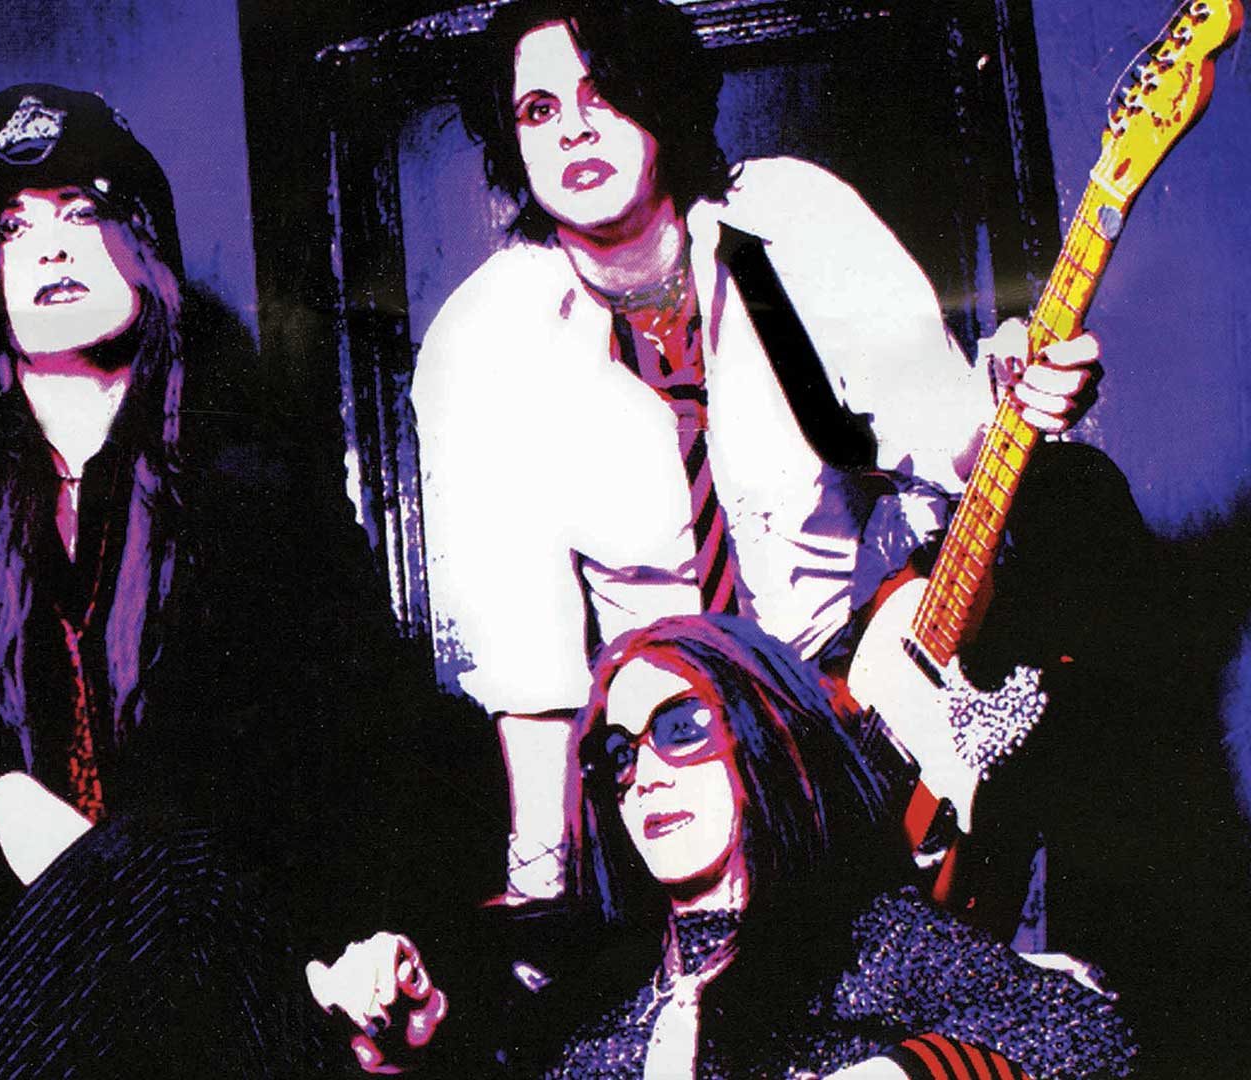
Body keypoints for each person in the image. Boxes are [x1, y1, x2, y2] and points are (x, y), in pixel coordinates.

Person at [0, 84, 494, 1078]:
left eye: (82, 213)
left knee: (170, 865)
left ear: (143, 239)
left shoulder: (254, 458)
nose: (50, 250)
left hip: (234, 988)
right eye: (13, 227)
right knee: (146, 868)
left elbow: (373, 738)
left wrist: (381, 946)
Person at [410, 0, 1105, 909]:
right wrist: (546, 906)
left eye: (603, 90)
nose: (574, 127)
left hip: (860, 707)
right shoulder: (488, 343)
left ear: (659, 93)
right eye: (538, 110)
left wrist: (1017, 400)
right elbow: (533, 680)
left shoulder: (787, 226)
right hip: (673, 753)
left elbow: (947, 444)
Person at [536, 614, 1137, 1078]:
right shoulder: (592, 1010)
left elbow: (1084, 1032)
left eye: (682, 728)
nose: (646, 776)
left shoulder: (866, 938)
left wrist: (897, 1072)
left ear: (762, 733)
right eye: (617, 755)